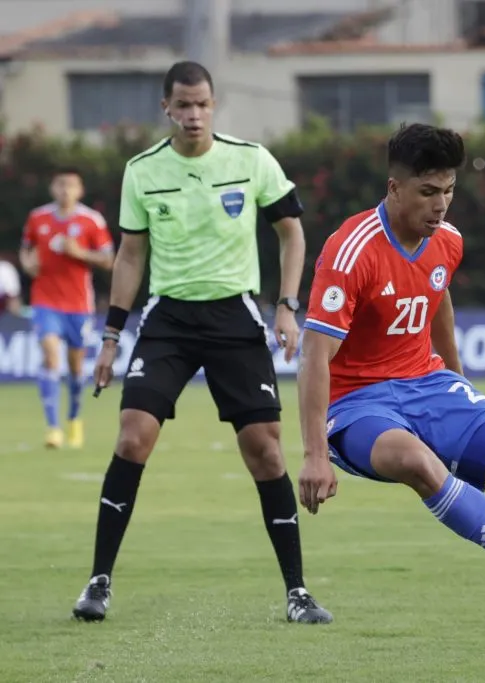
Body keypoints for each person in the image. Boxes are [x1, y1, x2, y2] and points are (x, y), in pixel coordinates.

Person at [296, 123, 485, 668]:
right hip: (359, 404)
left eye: (448, 191)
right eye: (427, 192)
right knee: (415, 461)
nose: (440, 205)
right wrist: (314, 456)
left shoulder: (450, 241)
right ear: (394, 188)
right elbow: (313, 356)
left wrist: (461, 383)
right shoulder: (350, 251)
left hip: (431, 385)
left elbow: (437, 297)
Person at [72, 61, 332, 625]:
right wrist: (111, 337)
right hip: (167, 319)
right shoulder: (142, 171)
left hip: (235, 319)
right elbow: (131, 255)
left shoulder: (252, 159)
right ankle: (98, 581)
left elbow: (292, 233)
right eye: (184, 106)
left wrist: (288, 306)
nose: (194, 115)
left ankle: (298, 592)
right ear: (166, 108)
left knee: (265, 451)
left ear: (215, 105)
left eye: (203, 105)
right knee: (132, 437)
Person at [19, 168, 114, 448]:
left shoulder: (91, 221)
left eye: (70, 186)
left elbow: (109, 259)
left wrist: (80, 253)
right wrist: (27, 263)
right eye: (60, 185)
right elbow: (26, 248)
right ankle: (53, 428)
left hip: (78, 304)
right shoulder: (38, 218)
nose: (65, 191)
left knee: (75, 368)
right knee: (50, 357)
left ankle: (74, 418)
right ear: (52, 189)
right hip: (45, 301)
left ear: (80, 190)